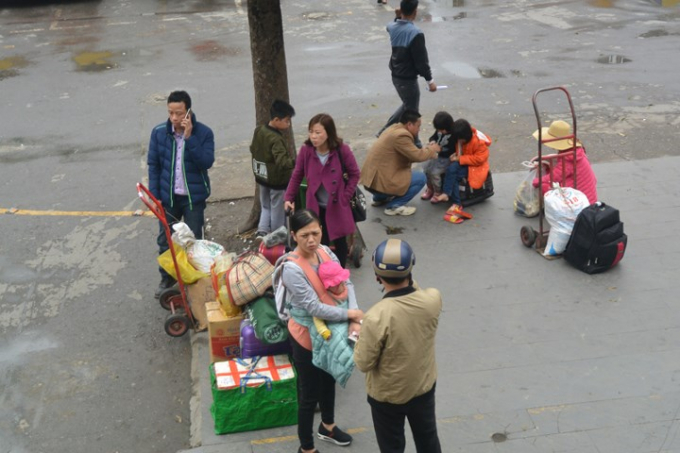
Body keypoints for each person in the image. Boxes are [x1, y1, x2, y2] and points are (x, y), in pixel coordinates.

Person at [278, 209, 364, 453]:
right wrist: (350, 315)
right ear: (294, 235)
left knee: (329, 379)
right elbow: (313, 306)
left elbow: (346, 282)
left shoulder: (326, 252)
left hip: (332, 329)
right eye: (304, 235)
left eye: (315, 233)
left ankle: (328, 426)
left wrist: (355, 316)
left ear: (322, 231)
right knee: (308, 395)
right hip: (305, 334)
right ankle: (306, 448)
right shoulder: (291, 268)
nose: (311, 240)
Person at [354, 239, 442, 453]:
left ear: (377, 276)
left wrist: (358, 336)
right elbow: (416, 290)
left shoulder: (376, 316)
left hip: (387, 396)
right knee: (428, 439)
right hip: (422, 387)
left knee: (392, 446)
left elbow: (363, 363)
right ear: (411, 269)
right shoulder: (432, 299)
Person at [147, 90, 215, 297]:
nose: (174, 118)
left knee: (194, 243)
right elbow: (154, 165)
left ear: (188, 112)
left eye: (179, 113)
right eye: (171, 113)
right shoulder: (159, 132)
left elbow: (206, 162)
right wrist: (155, 195)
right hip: (168, 198)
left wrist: (189, 138)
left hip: (193, 198)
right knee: (165, 240)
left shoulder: (204, 133)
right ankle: (167, 279)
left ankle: (196, 284)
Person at [284, 114, 360, 268]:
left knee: (340, 242)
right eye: (311, 132)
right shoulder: (306, 151)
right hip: (316, 206)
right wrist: (288, 198)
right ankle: (323, 272)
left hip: (337, 205)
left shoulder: (341, 150)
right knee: (319, 242)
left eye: (318, 132)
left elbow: (355, 174)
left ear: (328, 132)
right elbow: (297, 175)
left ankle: (340, 274)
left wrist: (346, 196)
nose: (313, 136)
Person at [377, 0, 437, 146]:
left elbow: (392, 25)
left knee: (407, 105)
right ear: (415, 12)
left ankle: (384, 131)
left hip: (396, 75)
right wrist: (430, 81)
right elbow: (421, 62)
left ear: (401, 10)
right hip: (408, 79)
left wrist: (398, 18)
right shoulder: (416, 34)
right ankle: (415, 143)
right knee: (412, 112)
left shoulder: (392, 27)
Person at [360, 109, 440, 216]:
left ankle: (378, 198)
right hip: (380, 183)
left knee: (398, 175)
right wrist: (432, 149)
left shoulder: (393, 128)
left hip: (370, 181)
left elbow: (410, 154)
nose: (419, 129)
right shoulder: (402, 136)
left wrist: (427, 152)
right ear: (409, 124)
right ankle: (394, 206)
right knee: (421, 178)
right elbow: (418, 156)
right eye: (418, 126)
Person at [249, 99, 296, 239]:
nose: (288, 124)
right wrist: (296, 162)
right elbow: (282, 162)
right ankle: (277, 236)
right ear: (276, 119)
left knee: (265, 206)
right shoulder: (276, 139)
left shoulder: (259, 130)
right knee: (277, 208)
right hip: (276, 181)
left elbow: (252, 148)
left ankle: (262, 231)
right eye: (287, 121)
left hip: (261, 176)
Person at [435, 119, 491, 223]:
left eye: (460, 139)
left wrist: (460, 159)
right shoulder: (461, 139)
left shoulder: (479, 142)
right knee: (451, 171)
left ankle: (454, 201)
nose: (458, 141)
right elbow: (461, 151)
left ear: (465, 137)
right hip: (464, 162)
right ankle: (450, 197)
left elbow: (480, 159)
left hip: (475, 166)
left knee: (454, 174)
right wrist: (456, 155)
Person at [531, 120, 598, 204]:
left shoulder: (568, 159)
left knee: (544, 186)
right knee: (548, 171)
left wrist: (535, 182)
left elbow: (554, 177)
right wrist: (542, 158)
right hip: (587, 196)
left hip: (581, 202)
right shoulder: (575, 152)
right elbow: (558, 163)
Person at [421, 111, 455, 203]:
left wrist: (439, 151)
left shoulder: (453, 135)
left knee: (434, 173)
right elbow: (433, 137)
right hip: (436, 155)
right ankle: (429, 188)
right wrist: (432, 141)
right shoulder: (439, 130)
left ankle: (437, 192)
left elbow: (452, 151)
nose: (439, 132)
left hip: (446, 158)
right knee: (426, 169)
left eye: (441, 130)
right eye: (438, 130)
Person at [313, 260, 351, 341]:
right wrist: (323, 331)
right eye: (335, 285)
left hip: (348, 325)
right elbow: (317, 317)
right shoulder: (323, 299)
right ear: (327, 286)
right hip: (332, 331)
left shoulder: (346, 290)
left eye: (341, 282)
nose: (340, 286)